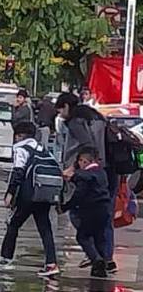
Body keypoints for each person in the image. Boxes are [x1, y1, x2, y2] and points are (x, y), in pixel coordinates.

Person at [56, 92, 117, 272]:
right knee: (105, 218)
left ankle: (94, 256)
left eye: (60, 109)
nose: (59, 114)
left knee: (79, 215)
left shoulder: (76, 121)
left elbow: (87, 145)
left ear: (67, 106)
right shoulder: (95, 116)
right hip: (107, 170)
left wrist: (73, 168)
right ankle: (106, 258)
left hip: (87, 173)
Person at [0, 121, 60, 276]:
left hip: (28, 194)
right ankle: (51, 263)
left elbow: (18, 171)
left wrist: (10, 193)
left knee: (14, 224)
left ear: (19, 135)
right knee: (45, 228)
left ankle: (5, 258)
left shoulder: (21, 148)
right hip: (44, 193)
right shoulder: (41, 148)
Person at [64, 148, 113, 278]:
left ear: (84, 161)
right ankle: (102, 265)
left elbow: (79, 193)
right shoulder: (102, 173)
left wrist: (66, 206)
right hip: (104, 209)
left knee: (83, 236)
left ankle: (96, 260)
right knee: (99, 237)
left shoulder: (83, 175)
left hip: (90, 210)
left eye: (80, 162)